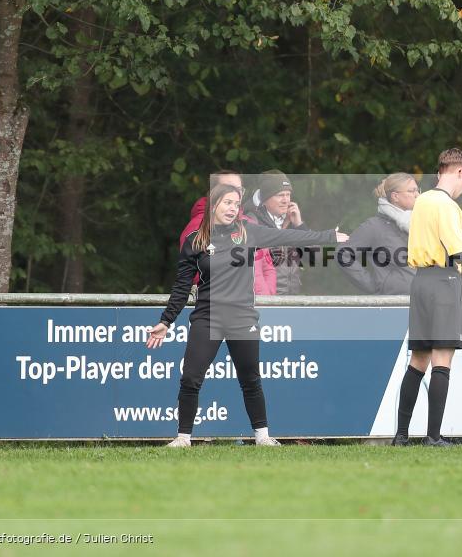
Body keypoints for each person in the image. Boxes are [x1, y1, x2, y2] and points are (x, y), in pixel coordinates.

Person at [147, 183, 348, 447]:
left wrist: (329, 237)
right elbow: (182, 286)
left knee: (250, 378)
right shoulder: (195, 240)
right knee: (191, 377)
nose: (232, 209)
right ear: (214, 205)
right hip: (207, 317)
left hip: (242, 318)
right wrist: (165, 321)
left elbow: (290, 238)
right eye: (227, 203)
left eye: (236, 204)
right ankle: (183, 438)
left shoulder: (248, 233)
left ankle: (262, 436)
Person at [392, 149, 462, 447]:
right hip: (445, 282)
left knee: (418, 360)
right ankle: (433, 436)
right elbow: (455, 250)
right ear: (460, 172)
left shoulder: (422, 201)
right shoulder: (448, 206)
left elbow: (435, 241)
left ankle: (401, 435)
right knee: (443, 359)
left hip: (420, 282)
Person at [179, 170, 276, 295]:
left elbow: (268, 266)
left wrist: (268, 295)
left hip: (261, 307)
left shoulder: (250, 223)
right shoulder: (198, 226)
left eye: (239, 189)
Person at [338, 173, 418, 295]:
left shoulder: (420, 224)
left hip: (421, 303)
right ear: (395, 196)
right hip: (391, 306)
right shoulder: (374, 226)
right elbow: (342, 254)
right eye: (412, 191)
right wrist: (374, 286)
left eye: (418, 190)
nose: (417, 195)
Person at [246, 170, 307, 295]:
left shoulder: (292, 219)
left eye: (288, 194)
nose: (286, 200)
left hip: (292, 299)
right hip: (267, 301)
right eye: (280, 195)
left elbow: (314, 257)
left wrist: (300, 225)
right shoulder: (253, 221)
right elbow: (255, 269)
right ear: (266, 198)